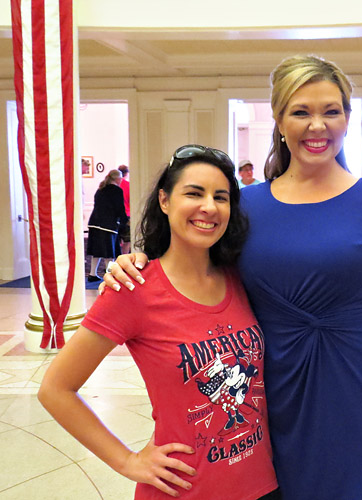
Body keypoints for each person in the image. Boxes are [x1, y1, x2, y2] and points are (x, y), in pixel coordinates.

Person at [102, 55, 362, 500]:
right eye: (301, 112)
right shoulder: (244, 207)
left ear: (347, 118)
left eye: (330, 111)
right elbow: (194, 274)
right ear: (279, 120)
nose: (316, 126)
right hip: (277, 410)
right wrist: (133, 263)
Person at [39, 145, 278, 500]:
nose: (209, 207)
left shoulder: (239, 276)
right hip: (185, 490)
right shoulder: (133, 287)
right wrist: (127, 461)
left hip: (262, 484)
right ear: (165, 201)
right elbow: (54, 390)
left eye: (221, 197)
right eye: (194, 193)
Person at [86, 169, 129, 282]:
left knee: (97, 251)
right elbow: (120, 209)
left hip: (94, 223)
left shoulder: (100, 189)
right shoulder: (117, 191)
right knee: (110, 252)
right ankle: (110, 274)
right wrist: (125, 221)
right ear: (117, 179)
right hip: (108, 225)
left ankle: (92, 274)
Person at [118, 164, 131, 254]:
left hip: (116, 216)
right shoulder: (128, 185)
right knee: (127, 240)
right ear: (126, 173)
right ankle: (125, 257)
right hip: (127, 214)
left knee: (117, 240)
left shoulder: (116, 185)